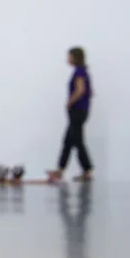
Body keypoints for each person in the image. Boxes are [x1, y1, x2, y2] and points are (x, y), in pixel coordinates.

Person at [48, 47, 94, 182]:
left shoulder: (79, 72)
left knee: (78, 142)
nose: (67, 59)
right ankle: (60, 170)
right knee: (68, 141)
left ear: (75, 57)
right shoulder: (83, 72)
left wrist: (69, 101)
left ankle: (87, 171)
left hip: (77, 112)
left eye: (69, 56)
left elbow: (80, 90)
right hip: (80, 111)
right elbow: (89, 91)